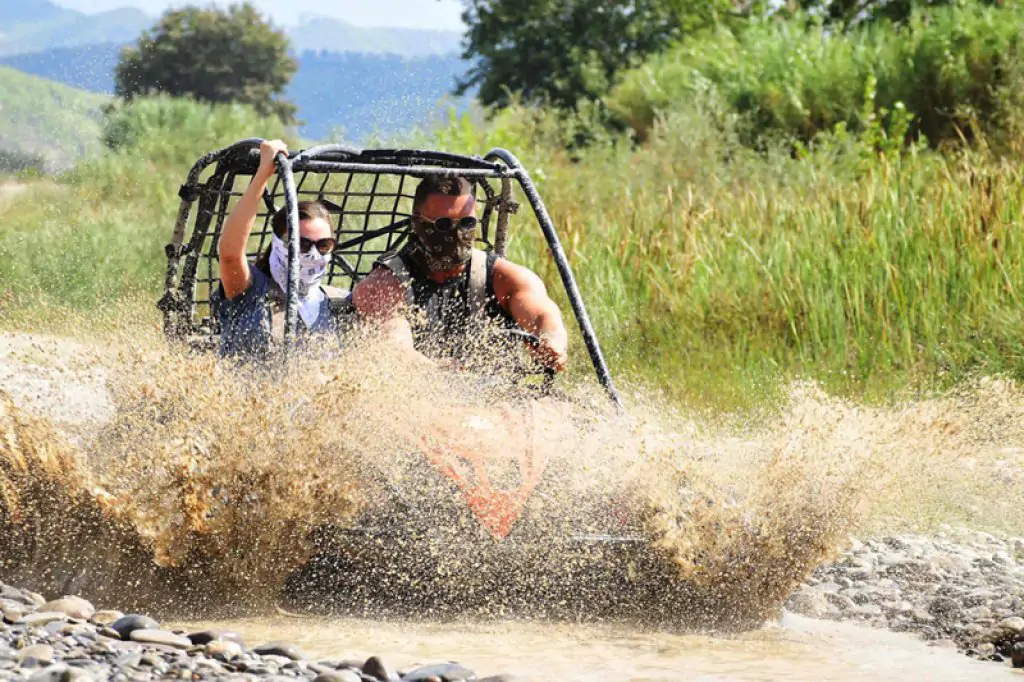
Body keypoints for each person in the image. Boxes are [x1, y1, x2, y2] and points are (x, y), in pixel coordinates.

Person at [352, 173, 569, 373]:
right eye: (444, 224)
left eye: (467, 222)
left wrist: (551, 342)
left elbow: (543, 314)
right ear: (418, 223)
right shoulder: (386, 283)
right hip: (423, 399)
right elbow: (395, 350)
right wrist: (446, 376)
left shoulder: (504, 278)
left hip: (498, 400)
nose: (457, 233)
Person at [212, 139, 351, 359]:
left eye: (323, 245)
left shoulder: (337, 302)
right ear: (279, 242)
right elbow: (229, 253)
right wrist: (263, 174)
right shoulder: (250, 289)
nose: (313, 254)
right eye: (302, 244)